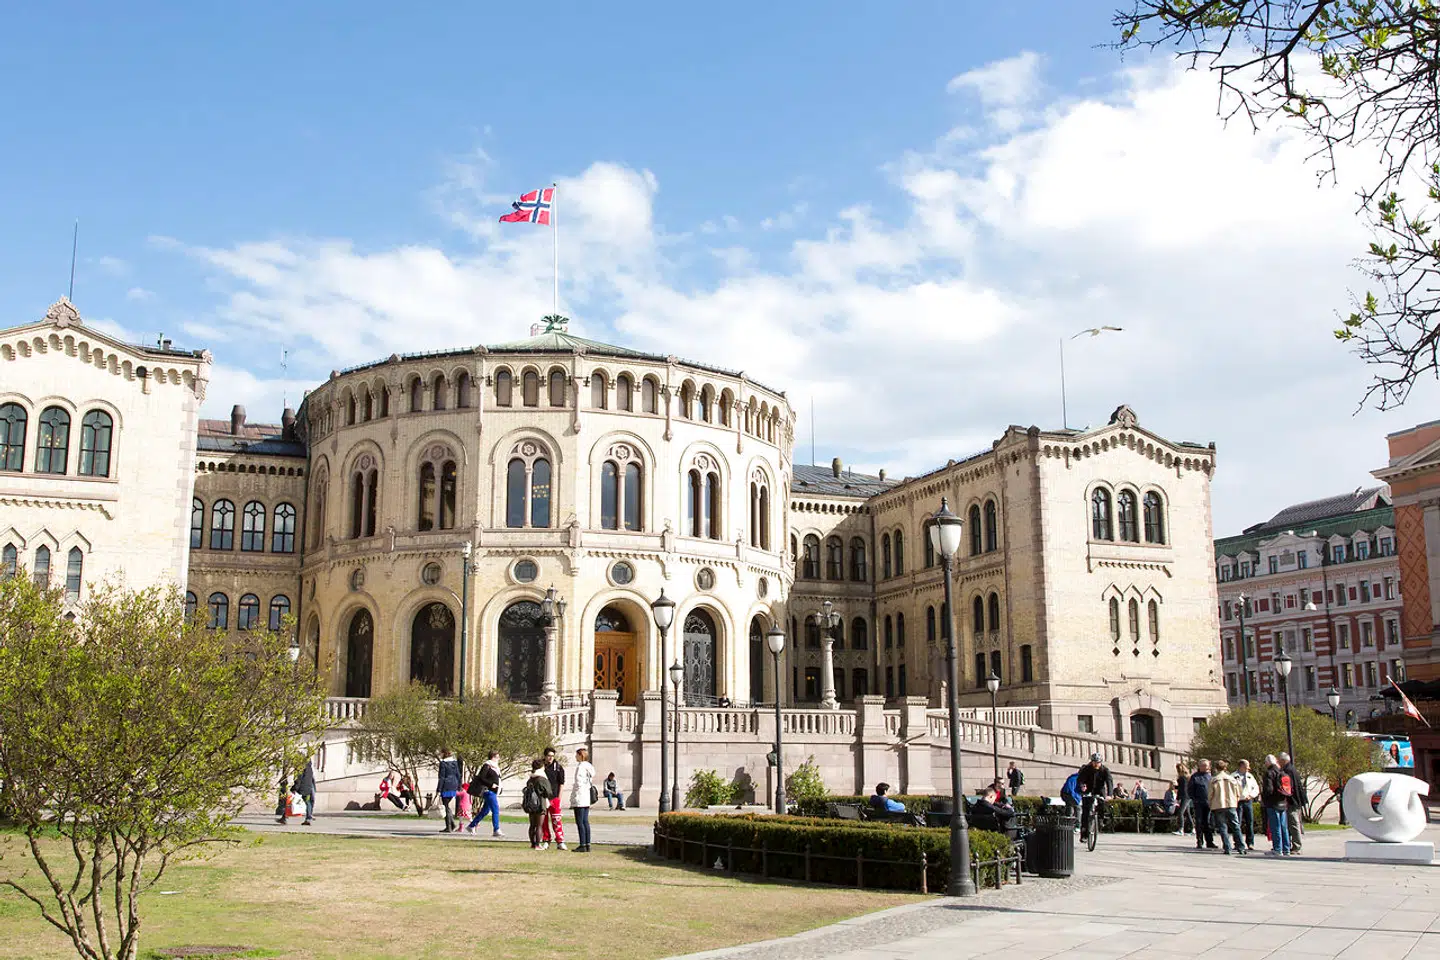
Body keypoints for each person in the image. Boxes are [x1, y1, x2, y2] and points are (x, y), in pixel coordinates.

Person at [1207, 760, 1245, 854]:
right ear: (1225, 768)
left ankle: (1227, 848)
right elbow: (1239, 792)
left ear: (1216, 768)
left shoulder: (1214, 780)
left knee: (1223, 827)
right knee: (1236, 826)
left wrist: (1211, 803)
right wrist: (1236, 800)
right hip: (1231, 804)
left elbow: (1210, 794)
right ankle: (1241, 847)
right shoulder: (1232, 779)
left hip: (1218, 804)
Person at [465, 751, 504, 837]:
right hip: (488, 791)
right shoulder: (487, 766)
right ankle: (496, 829)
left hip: (493, 791)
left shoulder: (495, 767)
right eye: (497, 757)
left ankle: (471, 825)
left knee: (485, 811)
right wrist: (491, 784)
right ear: (493, 757)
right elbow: (481, 777)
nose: (499, 759)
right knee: (495, 810)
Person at [1076, 753, 1113, 842]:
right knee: (1085, 812)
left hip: (1099, 790)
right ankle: (1084, 834)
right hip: (1088, 790)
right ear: (1091, 762)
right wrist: (1082, 786)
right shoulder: (1086, 769)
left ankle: (1100, 820)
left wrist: (1109, 795)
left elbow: (1109, 782)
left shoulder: (1105, 770)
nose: (1096, 765)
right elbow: (1080, 779)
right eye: (1094, 762)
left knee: (1102, 804)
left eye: (1098, 763)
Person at [1261, 753, 1292, 856]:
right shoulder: (1282, 772)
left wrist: (1265, 798)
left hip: (1273, 803)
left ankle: (1277, 849)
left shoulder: (1269, 773)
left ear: (1268, 763)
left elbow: (1268, 790)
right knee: (1284, 827)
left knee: (1275, 827)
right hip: (1283, 802)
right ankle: (1286, 848)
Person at [522, 759, 553, 849]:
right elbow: (549, 792)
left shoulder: (530, 779)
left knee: (532, 825)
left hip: (531, 804)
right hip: (540, 804)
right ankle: (537, 844)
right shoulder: (542, 778)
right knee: (539, 826)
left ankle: (532, 843)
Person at [570, 747, 596, 853]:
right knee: (585, 821)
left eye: (577, 755)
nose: (575, 757)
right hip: (586, 797)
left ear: (580, 755)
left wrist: (573, 797)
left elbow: (578, 783)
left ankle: (583, 844)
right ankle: (587, 843)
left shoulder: (581, 767)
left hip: (580, 796)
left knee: (580, 821)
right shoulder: (589, 767)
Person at [1280, 752, 1306, 855]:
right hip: (1296, 800)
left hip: (1293, 801)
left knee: (1293, 823)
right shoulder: (1292, 769)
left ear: (1284, 760)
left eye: (1280, 760)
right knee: (1295, 823)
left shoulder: (1288, 770)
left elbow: (1289, 787)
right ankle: (1295, 845)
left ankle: (1297, 846)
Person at [541, 746, 567, 850]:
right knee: (544, 820)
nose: (550, 758)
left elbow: (561, 784)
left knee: (556, 819)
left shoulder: (558, 767)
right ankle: (546, 840)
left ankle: (560, 841)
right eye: (548, 756)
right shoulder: (541, 767)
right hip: (543, 797)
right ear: (545, 756)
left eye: (552, 756)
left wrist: (559, 799)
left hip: (554, 797)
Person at [1188, 759, 1216, 850]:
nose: (1204, 767)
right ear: (1199, 767)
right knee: (1199, 822)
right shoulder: (1195, 777)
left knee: (1208, 823)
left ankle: (1210, 841)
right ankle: (1199, 841)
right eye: (1202, 765)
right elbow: (1190, 790)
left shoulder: (1211, 777)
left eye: (1206, 765)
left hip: (1209, 803)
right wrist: (1194, 799)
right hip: (1199, 803)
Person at [280, 759, 316, 826]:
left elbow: (299, 779)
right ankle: (308, 818)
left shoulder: (301, 768)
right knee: (307, 803)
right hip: (308, 787)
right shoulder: (310, 769)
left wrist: (294, 788)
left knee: (290, 801)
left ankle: (284, 817)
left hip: (301, 787)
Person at [1235, 759, 1260, 851]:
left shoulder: (1250, 776)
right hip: (1238, 801)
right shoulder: (1233, 776)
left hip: (1248, 801)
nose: (1248, 769)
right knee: (1238, 822)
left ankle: (1250, 842)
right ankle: (1237, 842)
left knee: (1250, 822)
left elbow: (1256, 788)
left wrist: (1251, 795)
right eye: (1246, 767)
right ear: (1241, 766)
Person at [436, 748, 462, 833]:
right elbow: (458, 775)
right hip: (454, 784)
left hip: (446, 786)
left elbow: (442, 777)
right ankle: (452, 824)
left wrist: (439, 789)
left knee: (445, 806)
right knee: (446, 806)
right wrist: (459, 786)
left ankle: (449, 826)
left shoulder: (443, 763)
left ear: (444, 753)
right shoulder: (455, 763)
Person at [1175, 763, 1193, 836]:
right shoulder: (1187, 777)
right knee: (1187, 813)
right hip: (1188, 796)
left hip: (1184, 796)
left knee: (1180, 812)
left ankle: (1181, 828)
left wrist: (1178, 798)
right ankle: (1193, 828)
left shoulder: (1181, 778)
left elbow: (1182, 789)